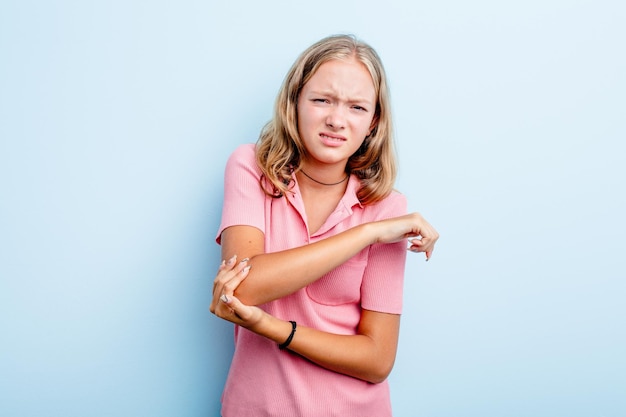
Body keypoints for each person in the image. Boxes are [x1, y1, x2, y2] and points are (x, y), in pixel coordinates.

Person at [210, 34, 439, 417]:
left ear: (373, 122)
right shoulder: (250, 167)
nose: (336, 120)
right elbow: (244, 287)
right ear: (295, 101)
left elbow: (377, 359)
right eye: (322, 100)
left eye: (356, 107)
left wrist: (272, 327)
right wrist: (366, 233)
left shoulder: (387, 208)